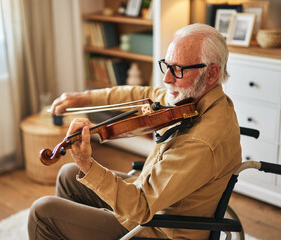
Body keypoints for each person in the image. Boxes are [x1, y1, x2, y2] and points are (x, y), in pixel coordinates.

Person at [28, 23, 241, 240]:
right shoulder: (193, 100)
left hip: (159, 228)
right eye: (166, 66)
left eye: (178, 69)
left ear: (211, 73)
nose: (167, 78)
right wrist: (85, 98)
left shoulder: (203, 140)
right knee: (69, 175)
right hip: (153, 201)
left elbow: (141, 206)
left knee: (42, 212)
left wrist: (88, 164)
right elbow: (141, 95)